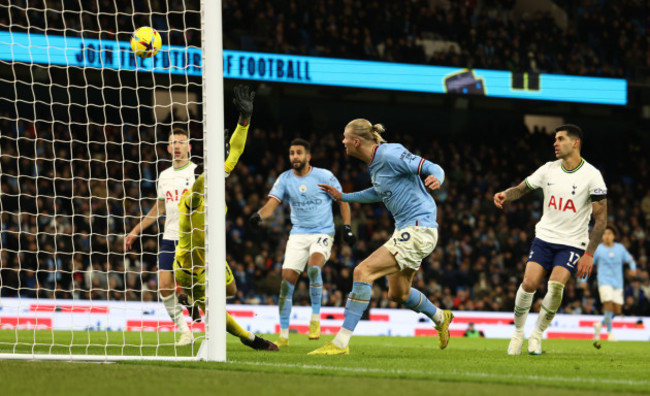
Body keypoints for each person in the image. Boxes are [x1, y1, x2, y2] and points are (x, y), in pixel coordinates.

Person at [308, 118, 453, 356]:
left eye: (345, 137)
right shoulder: (375, 164)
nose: (342, 141)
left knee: (362, 271)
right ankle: (440, 317)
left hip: (418, 227)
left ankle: (341, 343)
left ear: (356, 141)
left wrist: (438, 178)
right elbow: (378, 192)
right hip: (408, 228)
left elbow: (431, 167)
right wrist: (344, 197)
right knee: (399, 294)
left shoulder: (390, 153)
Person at [173, 85, 277, 351]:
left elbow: (236, 152)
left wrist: (244, 121)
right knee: (215, 310)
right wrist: (212, 165)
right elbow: (201, 183)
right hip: (189, 269)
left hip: (213, 259)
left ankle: (190, 301)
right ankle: (249, 338)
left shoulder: (215, 185)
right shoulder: (190, 201)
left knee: (231, 292)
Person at [493, 124, 608, 355]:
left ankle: (536, 335)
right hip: (545, 237)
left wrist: (589, 253)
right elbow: (522, 188)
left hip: (573, 242)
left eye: (560, 139)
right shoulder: (548, 169)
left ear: (575, 143)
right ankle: (517, 334)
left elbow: (601, 218)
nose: (555, 143)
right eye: (555, 139)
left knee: (555, 286)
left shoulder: (592, 175)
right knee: (529, 284)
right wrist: (506, 194)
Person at [249, 138, 355, 347]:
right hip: (298, 235)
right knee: (286, 284)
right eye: (291, 153)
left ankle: (315, 319)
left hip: (322, 232)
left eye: (298, 153)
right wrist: (259, 216)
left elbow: (342, 200)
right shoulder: (285, 179)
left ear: (308, 156)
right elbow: (272, 204)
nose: (295, 157)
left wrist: (347, 226)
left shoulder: (324, 176)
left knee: (314, 268)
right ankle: (284, 335)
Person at [125, 127, 196, 346]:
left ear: (189, 147)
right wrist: (136, 229)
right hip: (170, 236)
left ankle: (210, 326)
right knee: (164, 285)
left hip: (195, 238)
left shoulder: (198, 172)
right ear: (167, 147)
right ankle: (186, 331)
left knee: (196, 287)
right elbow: (158, 209)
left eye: (181, 142)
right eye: (173, 142)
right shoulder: (164, 176)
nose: (177, 146)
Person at [592, 225, 636, 341]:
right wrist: (583, 279)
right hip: (604, 281)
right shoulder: (598, 249)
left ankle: (600, 324)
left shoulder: (620, 248)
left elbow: (631, 260)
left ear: (614, 236)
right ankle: (609, 333)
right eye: (604, 234)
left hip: (618, 283)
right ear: (602, 237)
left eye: (609, 234)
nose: (607, 236)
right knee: (609, 306)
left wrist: (633, 269)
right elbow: (589, 263)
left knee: (617, 310)